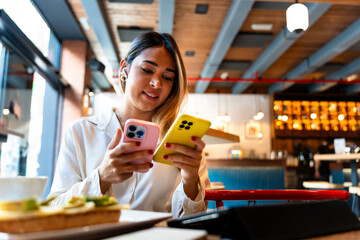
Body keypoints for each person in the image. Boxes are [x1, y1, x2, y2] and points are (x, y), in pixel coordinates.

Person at [49, 32, 211, 218]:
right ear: (124, 69)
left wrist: (190, 182)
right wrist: (101, 178)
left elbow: (194, 222)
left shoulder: (181, 143)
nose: (156, 83)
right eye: (147, 70)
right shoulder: (82, 132)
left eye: (167, 77)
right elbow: (54, 208)